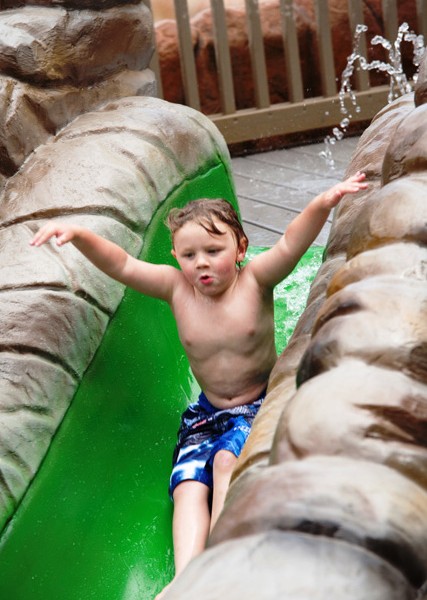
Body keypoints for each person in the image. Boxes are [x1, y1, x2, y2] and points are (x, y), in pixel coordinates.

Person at [30, 171, 367, 597]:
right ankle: (186, 575)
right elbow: (123, 264)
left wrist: (324, 202)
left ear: (241, 248)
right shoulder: (176, 289)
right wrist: (78, 234)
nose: (201, 263)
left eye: (213, 250)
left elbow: (290, 243)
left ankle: (222, 560)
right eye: (189, 255)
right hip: (205, 413)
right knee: (188, 483)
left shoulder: (256, 280)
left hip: (258, 404)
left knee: (228, 463)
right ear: (175, 257)